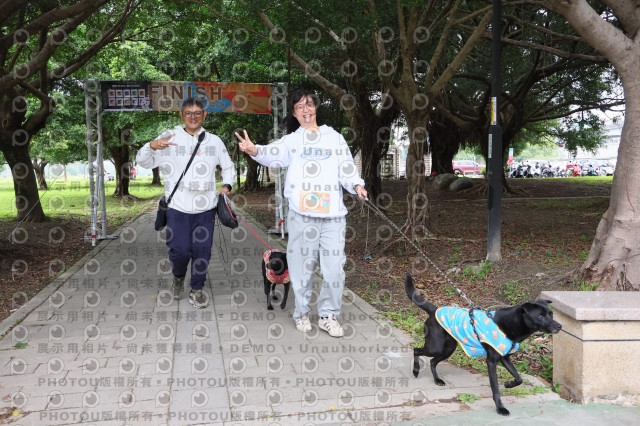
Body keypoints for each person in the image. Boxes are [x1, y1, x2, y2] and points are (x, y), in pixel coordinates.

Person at [235, 89, 367, 337]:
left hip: (333, 217)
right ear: (294, 114)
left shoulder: (334, 138)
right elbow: (272, 155)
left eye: (309, 104)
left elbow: (347, 168)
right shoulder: (292, 141)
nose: (306, 110)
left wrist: (357, 185)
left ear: (315, 107)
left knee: (335, 269)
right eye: (299, 107)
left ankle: (328, 315)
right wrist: (254, 150)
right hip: (302, 215)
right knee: (301, 267)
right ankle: (302, 313)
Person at [137, 97, 235, 309]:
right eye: (188, 113)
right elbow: (143, 162)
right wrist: (151, 146)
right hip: (178, 207)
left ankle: (197, 289)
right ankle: (178, 276)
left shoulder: (214, 141)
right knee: (179, 250)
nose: (193, 117)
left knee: (202, 251)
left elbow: (228, 167)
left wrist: (227, 185)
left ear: (204, 115)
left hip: (206, 209)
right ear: (181, 115)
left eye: (197, 113)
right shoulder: (169, 138)